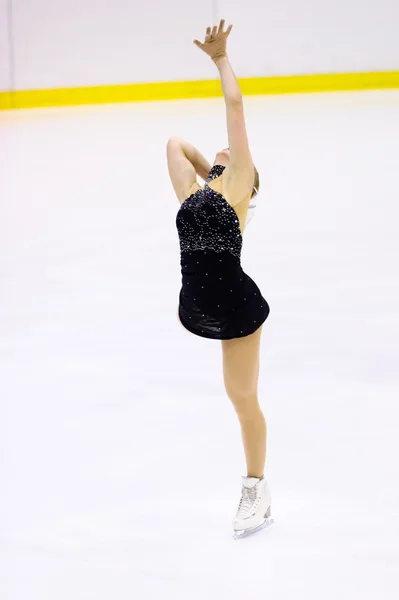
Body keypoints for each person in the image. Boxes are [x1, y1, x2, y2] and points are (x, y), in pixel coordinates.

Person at [167, 20, 273, 539]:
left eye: (236, 157)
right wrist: (213, 173)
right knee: (233, 395)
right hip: (198, 304)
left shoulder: (235, 188)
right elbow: (175, 143)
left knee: (241, 399)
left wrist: (220, 59)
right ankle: (256, 487)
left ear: (249, 180)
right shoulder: (197, 193)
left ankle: (256, 489)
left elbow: (234, 109)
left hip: (235, 306)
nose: (226, 151)